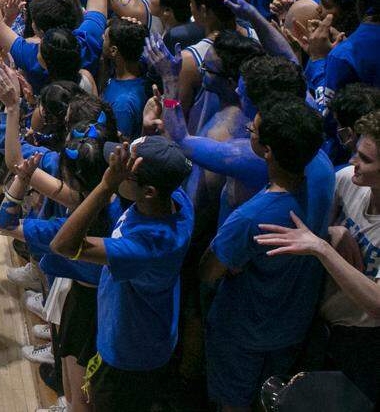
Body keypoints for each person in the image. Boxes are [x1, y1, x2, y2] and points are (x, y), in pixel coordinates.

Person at [200, 98, 329, 410]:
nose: (248, 133)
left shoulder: (250, 218)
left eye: (253, 131)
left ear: (268, 151)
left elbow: (207, 272)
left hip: (242, 333)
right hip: (292, 326)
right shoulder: (324, 171)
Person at [51, 137, 195, 412]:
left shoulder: (146, 247)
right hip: (140, 331)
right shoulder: (178, 200)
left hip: (129, 356)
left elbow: (63, 245)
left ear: (149, 192)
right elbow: (161, 168)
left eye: (123, 173)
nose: (114, 171)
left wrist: (106, 185)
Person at [255, 109, 380, 403]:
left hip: (360, 343)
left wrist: (322, 249)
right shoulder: (349, 180)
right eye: (356, 152)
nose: (353, 163)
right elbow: (316, 223)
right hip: (319, 320)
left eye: (366, 159)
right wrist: (332, 231)